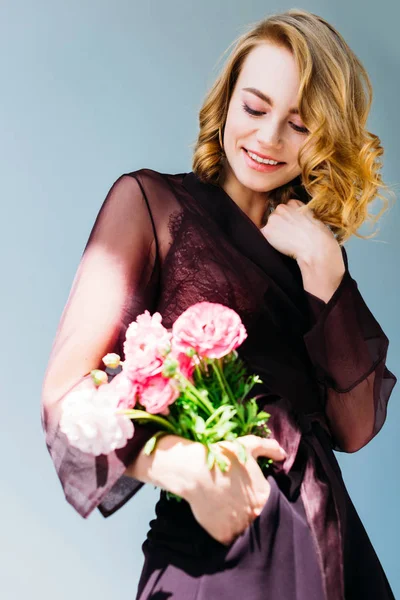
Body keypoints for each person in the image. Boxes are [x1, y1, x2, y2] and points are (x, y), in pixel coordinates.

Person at [40, 8, 397, 600]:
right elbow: (66, 395)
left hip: (331, 547)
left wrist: (326, 270)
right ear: (228, 98)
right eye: (256, 109)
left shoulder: (313, 257)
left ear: (326, 138)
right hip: (218, 545)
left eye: (299, 125)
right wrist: (180, 465)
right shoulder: (152, 204)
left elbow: (353, 429)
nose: (267, 139)